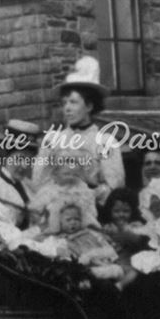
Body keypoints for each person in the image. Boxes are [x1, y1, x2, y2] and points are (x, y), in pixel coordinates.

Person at [32, 56, 124, 206]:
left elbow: (114, 186)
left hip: (93, 208)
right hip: (57, 206)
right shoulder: (52, 140)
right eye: (64, 103)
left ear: (89, 106)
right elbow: (39, 181)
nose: (67, 108)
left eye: (73, 102)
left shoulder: (105, 142)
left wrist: (89, 194)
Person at [0, 119, 42, 228]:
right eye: (20, 159)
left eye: (29, 160)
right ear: (6, 155)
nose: (25, 166)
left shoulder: (28, 185)